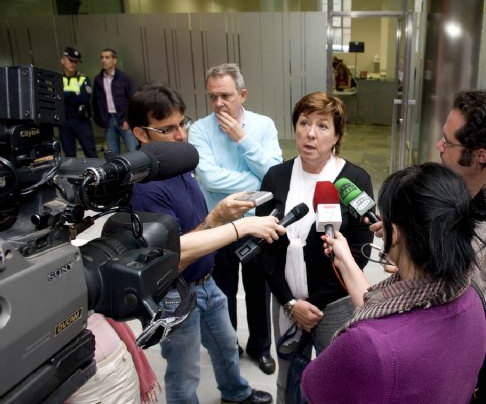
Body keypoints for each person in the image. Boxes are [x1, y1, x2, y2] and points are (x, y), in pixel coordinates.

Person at [375, 89, 486, 370]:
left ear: (480, 156)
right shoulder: (475, 190)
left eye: (448, 142)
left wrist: (427, 285)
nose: (439, 145)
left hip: (477, 369)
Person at [127, 84, 280, 404]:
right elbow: (172, 255)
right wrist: (221, 219)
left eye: (182, 123)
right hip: (174, 293)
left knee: (225, 346)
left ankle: (236, 393)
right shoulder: (145, 189)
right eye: (167, 129)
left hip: (207, 282)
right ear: (141, 133)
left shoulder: (177, 163)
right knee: (184, 373)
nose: (181, 135)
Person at [301, 162, 486, 403]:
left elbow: (312, 385)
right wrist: (345, 260)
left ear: (394, 233)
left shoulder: (366, 345)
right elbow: (391, 322)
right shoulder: (472, 297)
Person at [256, 91, 374, 404]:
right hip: (286, 300)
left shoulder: (354, 179)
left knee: (333, 385)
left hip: (334, 304)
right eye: (304, 123)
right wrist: (290, 302)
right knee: (289, 380)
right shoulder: (276, 177)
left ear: (336, 136)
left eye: (322, 126)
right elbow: (265, 247)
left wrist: (315, 305)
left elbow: (360, 251)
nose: (311, 133)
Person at [188, 63, 283, 375]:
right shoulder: (199, 130)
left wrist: (242, 138)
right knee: (222, 292)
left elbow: (274, 173)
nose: (218, 103)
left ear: (242, 94)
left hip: (257, 223)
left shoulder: (263, 126)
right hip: (219, 224)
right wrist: (257, 183)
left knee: (258, 291)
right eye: (212, 96)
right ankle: (230, 348)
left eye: (225, 96)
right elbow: (209, 178)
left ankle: (260, 348)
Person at [92, 48, 138, 155]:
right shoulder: (98, 79)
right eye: (102, 57)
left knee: (133, 150)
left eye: (107, 57)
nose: (104, 60)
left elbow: (133, 100)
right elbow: (96, 102)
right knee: (112, 153)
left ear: (114, 60)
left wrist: (128, 119)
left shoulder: (124, 78)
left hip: (123, 120)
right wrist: (100, 121)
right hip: (108, 121)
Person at [59, 46, 98, 158]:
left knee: (90, 153)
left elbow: (84, 98)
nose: (73, 64)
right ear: (62, 60)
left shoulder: (83, 79)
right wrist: (74, 93)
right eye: (71, 60)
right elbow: (56, 98)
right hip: (64, 122)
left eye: (76, 62)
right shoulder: (58, 79)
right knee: (69, 155)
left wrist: (65, 95)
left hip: (81, 121)